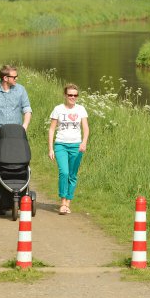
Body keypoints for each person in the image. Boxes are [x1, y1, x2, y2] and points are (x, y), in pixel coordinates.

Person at [0, 64, 32, 215]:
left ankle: (21, 194)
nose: (16, 79)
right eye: (14, 77)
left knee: (20, 163)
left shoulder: (20, 90)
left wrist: (24, 126)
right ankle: (2, 199)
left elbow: (27, 109)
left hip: (17, 136)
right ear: (5, 78)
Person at [48, 83, 89, 215]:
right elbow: (52, 129)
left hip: (76, 146)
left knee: (72, 175)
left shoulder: (81, 109)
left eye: (75, 95)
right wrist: (51, 148)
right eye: (70, 95)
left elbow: (86, 128)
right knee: (64, 172)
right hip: (61, 144)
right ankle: (62, 201)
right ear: (65, 95)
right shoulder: (58, 109)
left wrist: (84, 142)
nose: (72, 97)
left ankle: (68, 203)